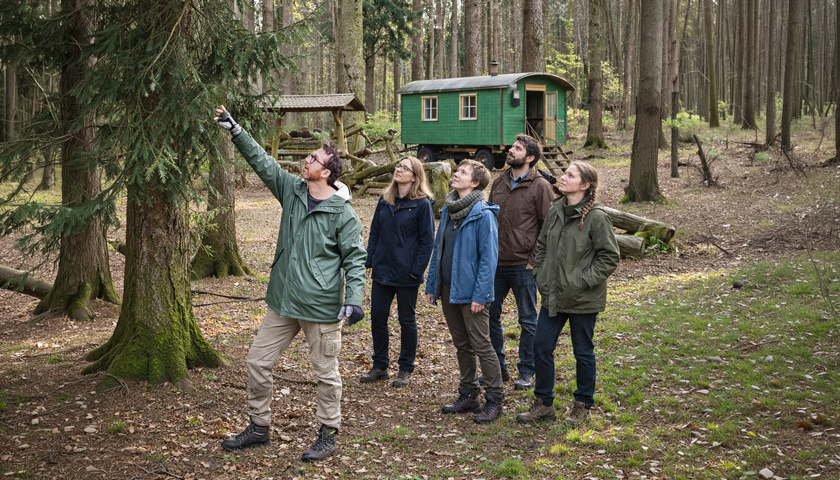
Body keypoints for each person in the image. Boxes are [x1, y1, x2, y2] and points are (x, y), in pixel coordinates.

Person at [214, 106, 367, 461]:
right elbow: (263, 163)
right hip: (283, 302)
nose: (307, 159)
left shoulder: (343, 214)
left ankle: (328, 433)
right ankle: (259, 427)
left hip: (321, 307)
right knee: (257, 362)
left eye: (313, 157)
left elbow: (355, 259)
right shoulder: (292, 191)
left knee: (326, 374)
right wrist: (237, 130)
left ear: (325, 172)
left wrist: (355, 298)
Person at [516, 161, 620, 425]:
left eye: (570, 175)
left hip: (583, 298)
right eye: (564, 173)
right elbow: (541, 245)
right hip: (553, 294)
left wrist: (582, 281)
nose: (563, 177)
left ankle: (583, 404)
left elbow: (609, 257)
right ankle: (544, 404)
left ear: (585, 185)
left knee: (582, 351)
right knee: (541, 347)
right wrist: (540, 273)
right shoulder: (555, 210)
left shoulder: (597, 216)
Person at [425, 160, 503, 424]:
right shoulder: (448, 210)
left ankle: (495, 398)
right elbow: (439, 249)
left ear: (476, 183)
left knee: (482, 345)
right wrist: (431, 285)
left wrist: (480, 296)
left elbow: (488, 260)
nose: (455, 174)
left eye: (462, 173)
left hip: (473, 295)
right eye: (456, 171)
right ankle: (469, 393)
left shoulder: (483, 214)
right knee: (462, 345)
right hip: (448, 289)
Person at [481, 134, 554, 391]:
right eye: (512, 147)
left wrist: (534, 261)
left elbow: (549, 228)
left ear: (530, 157)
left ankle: (527, 370)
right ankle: (497, 367)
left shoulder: (541, 186)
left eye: (517, 148)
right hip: (496, 264)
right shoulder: (499, 182)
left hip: (524, 266)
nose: (510, 150)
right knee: (489, 315)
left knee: (528, 320)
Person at [361, 156, 435, 388]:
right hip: (383, 270)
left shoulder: (423, 204)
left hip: (406, 274)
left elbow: (427, 241)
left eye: (405, 168)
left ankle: (405, 368)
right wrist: (369, 261)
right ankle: (380, 366)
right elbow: (374, 232)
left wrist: (416, 270)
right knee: (378, 317)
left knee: (407, 320)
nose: (399, 170)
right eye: (398, 166)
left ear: (415, 176)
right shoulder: (385, 200)